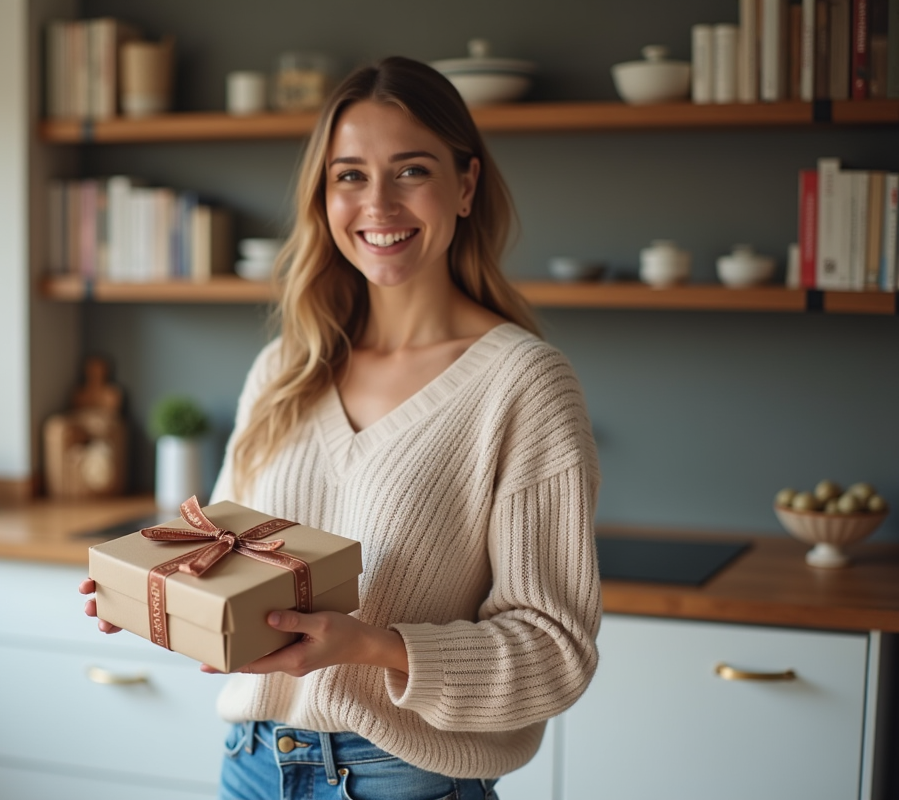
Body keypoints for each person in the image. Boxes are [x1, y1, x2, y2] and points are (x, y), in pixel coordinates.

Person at [79, 55, 601, 800]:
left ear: (466, 185)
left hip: (406, 780)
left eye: (411, 170)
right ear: (324, 197)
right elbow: (221, 553)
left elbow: (555, 654)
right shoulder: (284, 368)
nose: (378, 204)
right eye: (350, 175)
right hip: (251, 763)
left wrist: (369, 646)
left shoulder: (523, 383)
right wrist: (153, 595)